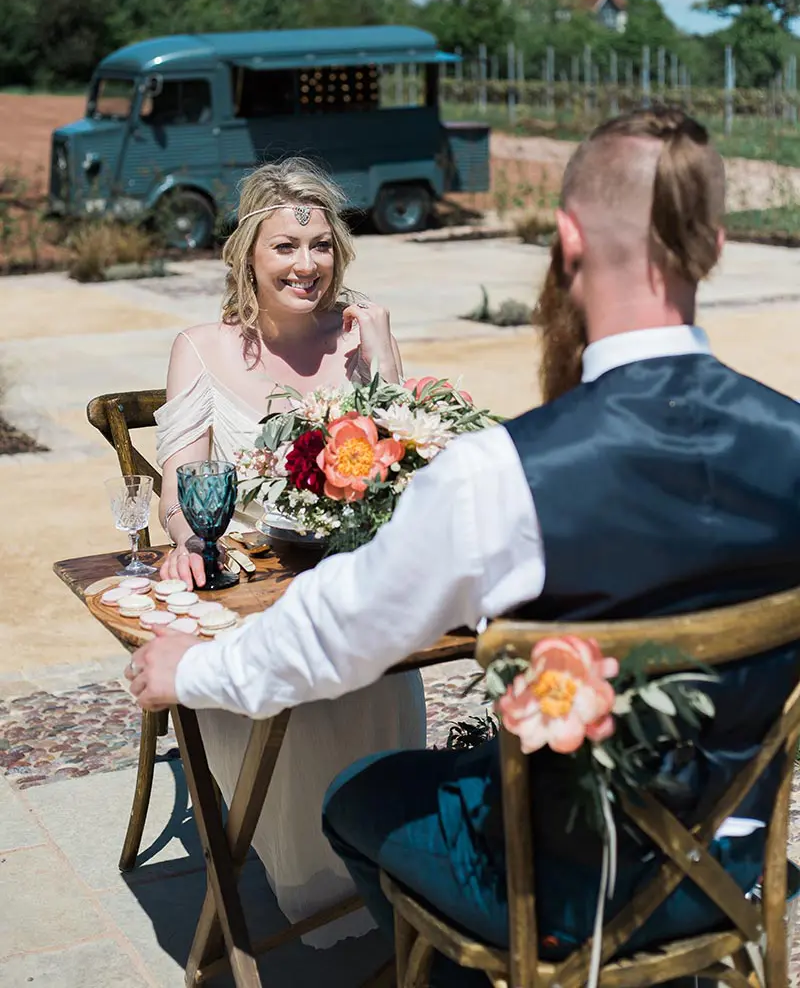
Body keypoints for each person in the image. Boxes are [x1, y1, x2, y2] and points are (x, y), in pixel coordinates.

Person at [129, 109, 800, 983]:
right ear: (713, 244)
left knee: (359, 797)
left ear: (565, 242)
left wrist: (192, 671)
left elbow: (337, 634)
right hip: (733, 869)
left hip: (557, 884)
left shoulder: (501, 475)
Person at [152, 156, 425, 946]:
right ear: (248, 255)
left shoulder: (360, 337)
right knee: (298, 675)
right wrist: (184, 539)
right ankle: (324, 887)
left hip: (349, 571)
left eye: (321, 246)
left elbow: (408, 469)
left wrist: (385, 360)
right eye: (285, 247)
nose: (306, 265)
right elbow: (179, 486)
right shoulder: (200, 347)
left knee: (377, 652)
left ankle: (392, 860)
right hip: (252, 591)